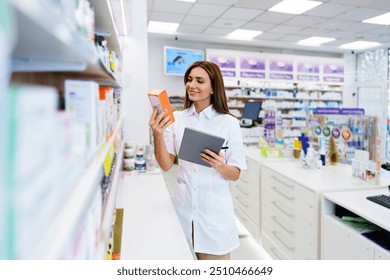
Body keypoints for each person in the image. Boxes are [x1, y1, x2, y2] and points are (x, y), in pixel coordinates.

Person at [149, 61, 247, 260]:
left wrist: (220, 166)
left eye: (199, 81)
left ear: (213, 88)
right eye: (189, 79)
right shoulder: (176, 119)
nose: (191, 85)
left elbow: (235, 174)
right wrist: (157, 135)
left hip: (214, 216)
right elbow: (166, 165)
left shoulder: (229, 124)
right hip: (182, 209)